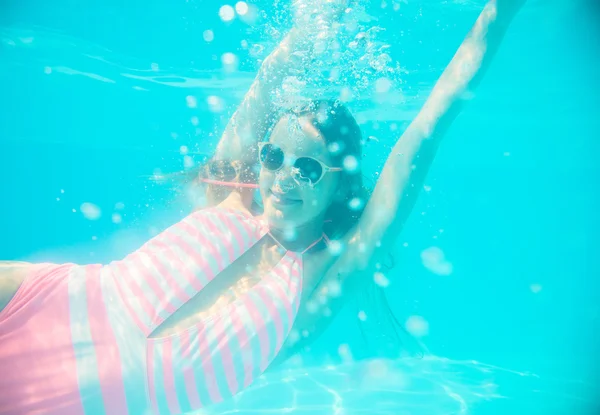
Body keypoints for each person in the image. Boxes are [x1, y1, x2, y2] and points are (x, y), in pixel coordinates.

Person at [0, 0, 526, 414]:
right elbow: (265, 84)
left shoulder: (327, 275)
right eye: (275, 156)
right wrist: (313, 22)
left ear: (339, 185)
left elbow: (428, 129)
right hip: (44, 300)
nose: (284, 177)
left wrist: (497, 14)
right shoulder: (228, 197)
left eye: (310, 168)